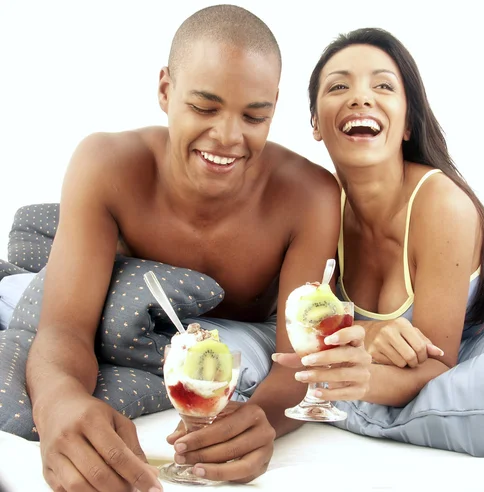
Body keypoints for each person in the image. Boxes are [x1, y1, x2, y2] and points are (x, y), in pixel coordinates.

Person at [0, 6, 372, 492]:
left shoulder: (311, 197)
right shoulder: (106, 165)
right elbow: (65, 328)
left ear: (274, 107)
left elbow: (295, 357)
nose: (227, 137)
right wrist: (58, 402)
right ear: (164, 90)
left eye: (255, 116)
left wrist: (259, 418)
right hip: (91, 235)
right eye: (204, 107)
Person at [276, 27, 484, 471]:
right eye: (338, 86)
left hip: (478, 326)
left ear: (408, 122)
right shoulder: (318, 206)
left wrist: (363, 378)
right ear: (314, 122)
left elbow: (437, 365)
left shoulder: (441, 205)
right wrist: (369, 335)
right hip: (427, 335)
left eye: (383, 85)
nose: (360, 97)